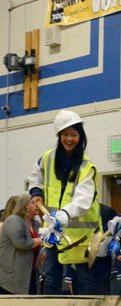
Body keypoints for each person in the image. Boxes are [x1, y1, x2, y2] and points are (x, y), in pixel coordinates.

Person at [28, 110, 101, 295]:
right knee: (51, 278)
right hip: (53, 235)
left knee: (83, 280)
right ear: (59, 136)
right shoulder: (47, 158)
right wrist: (36, 192)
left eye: (74, 135)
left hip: (80, 238)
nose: (69, 139)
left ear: (81, 136)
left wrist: (65, 214)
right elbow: (35, 176)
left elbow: (83, 199)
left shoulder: (86, 166)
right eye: (65, 134)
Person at [0, 193, 43, 294]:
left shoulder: (36, 224)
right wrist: (41, 240)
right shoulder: (13, 221)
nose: (37, 205)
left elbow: (38, 246)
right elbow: (21, 243)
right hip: (11, 276)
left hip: (30, 272)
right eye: (33, 203)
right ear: (25, 206)